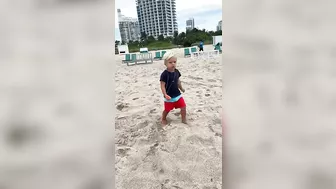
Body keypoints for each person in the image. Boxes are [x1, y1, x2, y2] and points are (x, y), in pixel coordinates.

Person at [159, 51, 187, 125]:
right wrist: (165, 94)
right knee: (167, 110)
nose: (173, 64)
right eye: (170, 62)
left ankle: (184, 119)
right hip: (169, 96)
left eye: (174, 62)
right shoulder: (164, 74)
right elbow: (162, 85)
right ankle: (163, 118)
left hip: (177, 94)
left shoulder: (177, 71)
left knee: (183, 107)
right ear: (165, 63)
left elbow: (178, 81)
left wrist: (181, 88)